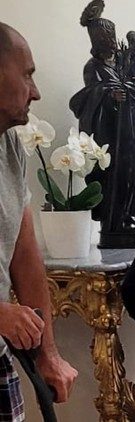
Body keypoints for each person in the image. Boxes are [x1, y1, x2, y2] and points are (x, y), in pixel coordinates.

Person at [0, 21, 78, 418]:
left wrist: (48, 352)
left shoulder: (11, 143)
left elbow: (23, 252)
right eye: (27, 74)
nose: (36, 92)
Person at [70, 1, 135, 247]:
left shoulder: (121, 61)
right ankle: (118, 219)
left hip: (133, 127)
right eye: (106, 38)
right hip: (113, 134)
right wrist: (109, 95)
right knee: (118, 172)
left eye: (112, 36)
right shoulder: (93, 67)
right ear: (97, 42)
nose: (112, 41)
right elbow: (92, 93)